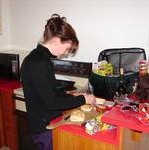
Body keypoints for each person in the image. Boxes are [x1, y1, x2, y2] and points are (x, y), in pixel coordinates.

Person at [20, 14, 96, 150]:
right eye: (66, 48)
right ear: (56, 41)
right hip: (44, 127)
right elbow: (51, 103)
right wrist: (81, 100)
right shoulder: (37, 63)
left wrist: (76, 97)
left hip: (46, 121)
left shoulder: (41, 59)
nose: (66, 53)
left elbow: (52, 91)